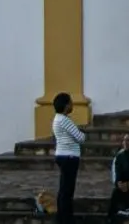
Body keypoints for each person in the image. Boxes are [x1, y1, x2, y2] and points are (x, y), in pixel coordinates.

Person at [52, 92, 86, 224]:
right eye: (70, 102)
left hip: (63, 155)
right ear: (66, 105)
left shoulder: (57, 119)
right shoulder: (64, 120)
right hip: (69, 157)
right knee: (67, 190)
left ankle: (63, 216)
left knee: (64, 189)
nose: (72, 105)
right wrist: (82, 133)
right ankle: (66, 218)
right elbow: (80, 137)